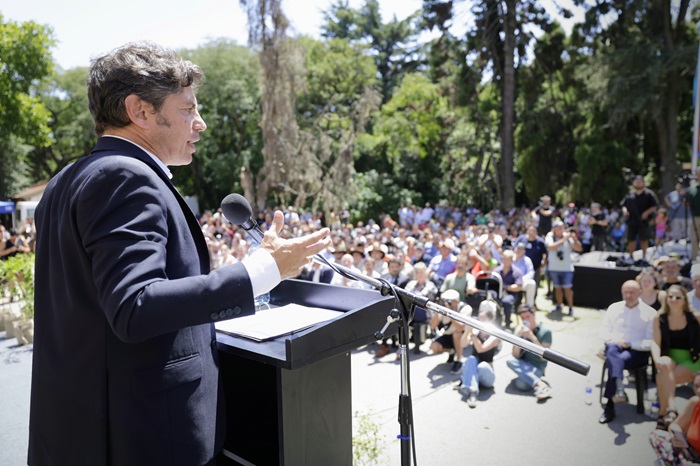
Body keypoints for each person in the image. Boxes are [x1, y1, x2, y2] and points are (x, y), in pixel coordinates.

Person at [28, 42, 330, 466]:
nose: (201, 123)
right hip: (140, 437)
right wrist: (260, 272)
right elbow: (135, 306)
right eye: (188, 109)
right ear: (141, 111)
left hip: (82, 427)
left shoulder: (65, 180)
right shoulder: (125, 177)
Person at [598, 280, 656, 424]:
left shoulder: (650, 313)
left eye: (632, 292)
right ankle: (618, 389)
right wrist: (611, 339)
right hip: (615, 347)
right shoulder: (614, 308)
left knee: (614, 360)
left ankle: (610, 403)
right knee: (612, 349)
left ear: (640, 293)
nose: (628, 295)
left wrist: (630, 344)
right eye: (625, 292)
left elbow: (651, 341)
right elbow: (604, 331)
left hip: (637, 351)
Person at [652, 285, 700, 430]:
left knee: (664, 377)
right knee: (664, 366)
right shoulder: (659, 317)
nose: (673, 300)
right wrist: (656, 359)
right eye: (670, 296)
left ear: (684, 300)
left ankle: (663, 413)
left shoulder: (695, 317)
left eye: (678, 297)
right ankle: (671, 409)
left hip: (692, 359)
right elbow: (655, 342)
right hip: (670, 356)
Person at [454, 300, 500, 408]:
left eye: (483, 319)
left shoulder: (494, 334)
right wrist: (468, 331)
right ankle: (473, 391)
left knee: (482, 365)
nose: (480, 321)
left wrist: (473, 336)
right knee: (470, 359)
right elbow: (462, 344)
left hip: (487, 374)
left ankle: (466, 381)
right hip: (475, 369)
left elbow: (481, 349)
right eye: (480, 319)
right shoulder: (476, 331)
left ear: (490, 320)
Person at [649, 371, 700, 465]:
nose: (699, 391)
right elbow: (675, 425)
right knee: (656, 436)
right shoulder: (695, 402)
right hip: (690, 454)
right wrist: (675, 435)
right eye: (696, 386)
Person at [506, 304, 553, 401]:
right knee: (510, 361)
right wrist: (518, 339)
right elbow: (515, 355)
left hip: (537, 367)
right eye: (522, 318)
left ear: (534, 314)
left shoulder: (545, 331)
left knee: (521, 384)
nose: (525, 320)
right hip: (523, 364)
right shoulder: (519, 330)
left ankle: (535, 382)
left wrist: (532, 338)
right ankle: (539, 384)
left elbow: (543, 358)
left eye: (528, 317)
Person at [545, 219, 582, 316]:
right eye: (559, 228)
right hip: (554, 268)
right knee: (557, 288)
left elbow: (579, 249)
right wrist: (563, 240)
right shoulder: (550, 236)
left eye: (562, 228)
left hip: (567, 268)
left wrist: (574, 239)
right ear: (554, 229)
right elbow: (551, 247)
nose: (562, 230)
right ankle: (559, 305)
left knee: (567, 289)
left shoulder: (568, 237)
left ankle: (570, 307)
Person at [430, 289, 471, 374]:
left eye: (449, 301)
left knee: (456, 333)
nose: (446, 303)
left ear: (456, 301)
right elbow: (433, 326)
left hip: (462, 337)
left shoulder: (465, 308)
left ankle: (459, 360)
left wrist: (450, 313)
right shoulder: (443, 308)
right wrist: (438, 311)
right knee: (434, 347)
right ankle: (452, 351)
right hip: (448, 335)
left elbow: (460, 327)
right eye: (444, 300)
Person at [620, 174, 659, 261]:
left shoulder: (649, 194)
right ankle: (630, 256)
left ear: (643, 183)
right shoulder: (630, 194)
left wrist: (646, 212)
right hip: (632, 220)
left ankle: (644, 257)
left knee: (644, 239)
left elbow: (655, 206)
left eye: (640, 182)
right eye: (636, 182)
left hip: (643, 221)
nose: (638, 183)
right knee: (631, 239)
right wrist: (625, 211)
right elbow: (623, 205)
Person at [492, 249, 524, 328]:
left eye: (507, 259)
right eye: (504, 258)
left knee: (506, 302)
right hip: (498, 293)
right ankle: (495, 322)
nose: (505, 261)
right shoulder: (497, 271)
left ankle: (507, 323)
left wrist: (506, 287)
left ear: (511, 260)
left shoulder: (517, 272)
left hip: (511, 294)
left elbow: (518, 287)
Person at [513, 242, 537, 308]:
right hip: (511, 281)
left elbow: (531, 272)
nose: (518, 251)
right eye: (517, 249)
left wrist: (521, 279)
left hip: (522, 281)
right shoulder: (511, 258)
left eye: (520, 249)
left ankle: (529, 306)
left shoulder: (527, 260)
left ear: (524, 251)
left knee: (532, 283)